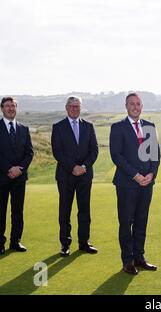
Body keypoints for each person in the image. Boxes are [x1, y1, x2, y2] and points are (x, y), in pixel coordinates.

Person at [109, 92, 161, 275]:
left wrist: (152, 174)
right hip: (126, 184)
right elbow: (117, 156)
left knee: (141, 221)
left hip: (147, 184)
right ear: (126, 106)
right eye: (132, 104)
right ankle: (127, 261)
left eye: (138, 104)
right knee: (126, 223)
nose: (135, 107)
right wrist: (136, 175)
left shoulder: (150, 126)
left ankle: (139, 258)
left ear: (142, 106)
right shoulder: (117, 127)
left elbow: (155, 154)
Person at [51, 96, 99, 256]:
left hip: (85, 175)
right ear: (66, 108)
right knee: (65, 210)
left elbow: (94, 150)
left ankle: (84, 243)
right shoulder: (58, 127)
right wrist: (73, 167)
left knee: (84, 210)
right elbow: (57, 152)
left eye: (77, 106)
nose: (74, 109)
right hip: (66, 175)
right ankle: (65, 245)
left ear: (81, 108)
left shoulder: (89, 126)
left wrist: (83, 167)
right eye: (71, 106)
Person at [0, 96, 34, 255]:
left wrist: (19, 169)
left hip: (19, 178)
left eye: (13, 106)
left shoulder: (24, 128)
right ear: (2, 108)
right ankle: (0, 243)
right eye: (7, 106)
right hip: (0, 177)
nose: (11, 108)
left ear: (16, 108)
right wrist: (9, 168)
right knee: (0, 210)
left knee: (17, 211)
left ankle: (16, 241)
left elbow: (29, 153)